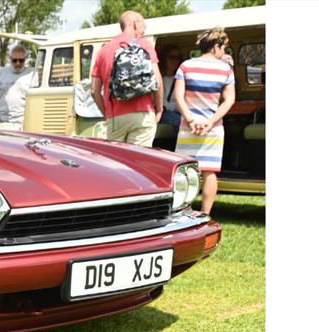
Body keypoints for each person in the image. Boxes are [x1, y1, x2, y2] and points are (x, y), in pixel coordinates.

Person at [174, 27, 235, 215]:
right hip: (213, 129)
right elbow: (229, 100)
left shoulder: (185, 66)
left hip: (188, 127)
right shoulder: (226, 70)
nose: (223, 51)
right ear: (216, 46)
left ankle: (185, 211)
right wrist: (210, 122)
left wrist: (191, 120)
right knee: (209, 172)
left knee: (184, 172)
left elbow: (178, 96)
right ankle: (205, 213)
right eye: (223, 47)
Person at [91, 10, 164, 146]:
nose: (145, 28)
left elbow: (94, 91)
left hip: (115, 117)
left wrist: (108, 115)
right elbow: (157, 81)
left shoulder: (104, 50)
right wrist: (159, 109)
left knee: (116, 163)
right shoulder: (144, 45)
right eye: (143, 24)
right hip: (142, 115)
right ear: (135, 24)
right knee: (139, 162)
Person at [0, 45, 38, 127]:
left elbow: (36, 100)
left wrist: (30, 120)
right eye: (14, 60)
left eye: (21, 60)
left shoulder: (32, 74)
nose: (18, 63)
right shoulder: (0, 72)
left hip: (23, 121)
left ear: (26, 59)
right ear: (10, 59)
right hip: (2, 121)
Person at [159, 44, 183, 127]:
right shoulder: (158, 78)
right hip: (162, 113)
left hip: (179, 112)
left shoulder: (181, 79)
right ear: (164, 58)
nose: (175, 61)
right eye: (171, 57)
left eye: (178, 58)